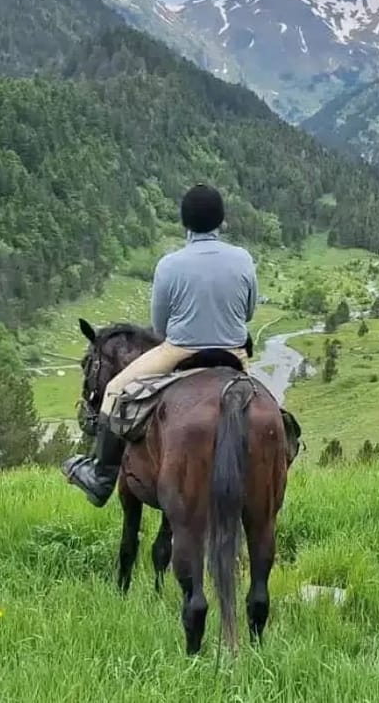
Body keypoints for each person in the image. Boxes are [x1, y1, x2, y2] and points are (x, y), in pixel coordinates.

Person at [63, 184, 258, 507]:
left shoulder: (170, 264)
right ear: (221, 221)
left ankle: (101, 477)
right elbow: (249, 312)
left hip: (180, 350)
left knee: (113, 390)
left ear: (185, 222)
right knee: (267, 409)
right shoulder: (243, 259)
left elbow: (161, 326)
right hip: (233, 352)